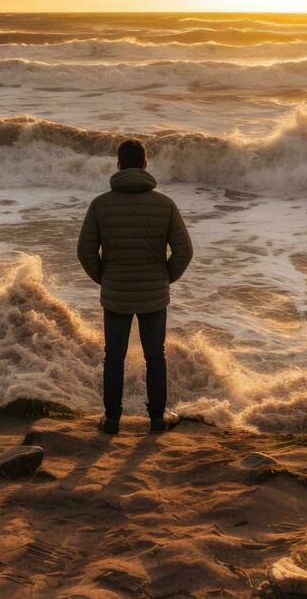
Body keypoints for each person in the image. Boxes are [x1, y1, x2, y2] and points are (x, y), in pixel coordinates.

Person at [76, 137, 193, 434]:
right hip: (154, 295)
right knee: (155, 356)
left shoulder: (100, 205)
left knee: (113, 356)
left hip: (116, 295)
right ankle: (156, 419)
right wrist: (165, 277)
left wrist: (105, 278)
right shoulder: (165, 204)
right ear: (145, 163)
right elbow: (184, 251)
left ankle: (112, 420)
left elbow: (85, 252)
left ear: (118, 165)